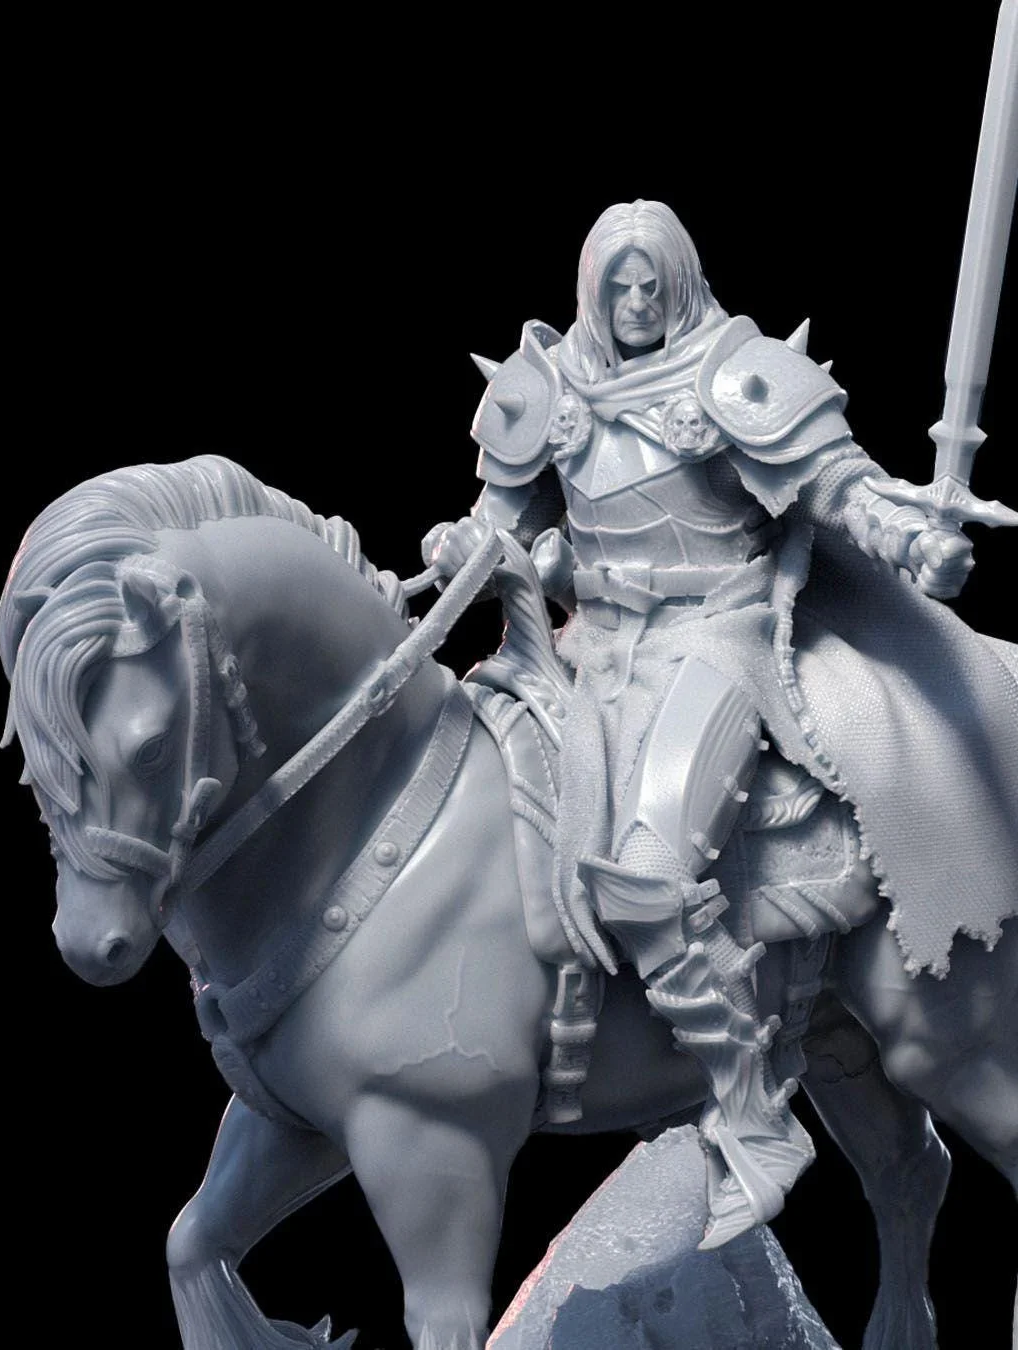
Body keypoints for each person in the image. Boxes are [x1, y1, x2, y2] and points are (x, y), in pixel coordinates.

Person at [425, 199, 1018, 1249]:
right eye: (619, 286)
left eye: (652, 283)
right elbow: (498, 524)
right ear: (592, 290)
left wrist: (910, 540)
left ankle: (752, 1116)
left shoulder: (733, 376)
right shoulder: (549, 392)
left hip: (715, 638)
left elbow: (839, 488)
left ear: (682, 282)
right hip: (586, 653)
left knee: (649, 870)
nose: (636, 302)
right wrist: (447, 550)